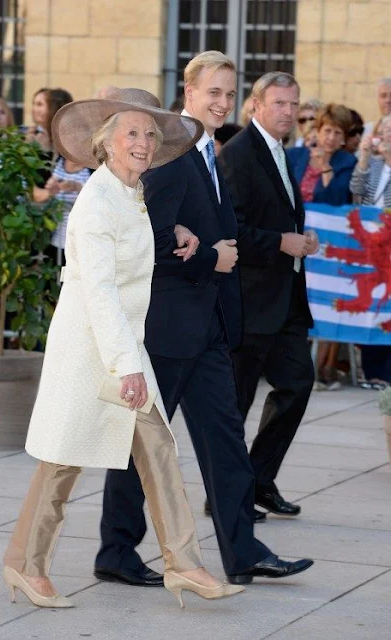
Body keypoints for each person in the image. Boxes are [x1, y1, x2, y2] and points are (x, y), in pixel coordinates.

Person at [3, 88, 245, 609]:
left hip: (118, 348)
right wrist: (127, 366)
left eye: (149, 133)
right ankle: (25, 567)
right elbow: (101, 291)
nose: (142, 141)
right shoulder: (97, 201)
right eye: (130, 132)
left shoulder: (129, 193)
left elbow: (144, 245)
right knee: (61, 463)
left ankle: (185, 564)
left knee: (158, 450)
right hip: (93, 351)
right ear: (106, 142)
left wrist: (177, 229)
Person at [95, 51, 314, 588]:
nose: (221, 102)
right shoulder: (169, 156)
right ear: (188, 95)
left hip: (209, 329)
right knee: (141, 447)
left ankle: (243, 552)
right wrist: (210, 256)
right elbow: (148, 242)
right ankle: (116, 551)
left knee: (225, 446)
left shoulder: (209, 153)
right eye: (212, 92)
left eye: (228, 93)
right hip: (168, 330)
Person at [218, 71, 318, 518]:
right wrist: (281, 241)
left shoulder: (281, 152)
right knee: (235, 406)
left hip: (285, 300)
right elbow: (231, 229)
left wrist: (300, 238)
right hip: (250, 302)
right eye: (279, 103)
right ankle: (225, 495)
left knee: (297, 384)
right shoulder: (239, 154)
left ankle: (258, 479)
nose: (289, 112)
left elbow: (278, 216)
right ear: (256, 105)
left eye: (294, 104)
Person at [288, 103, 357, 390]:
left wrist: (326, 170)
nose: (330, 137)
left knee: (325, 304)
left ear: (343, 138)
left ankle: (322, 368)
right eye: (326, 130)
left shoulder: (346, 163)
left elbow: (337, 201)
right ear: (317, 131)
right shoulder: (296, 155)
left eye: (336, 132)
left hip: (328, 247)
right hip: (294, 241)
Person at [350, 113, 391, 389]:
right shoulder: (373, 165)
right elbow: (355, 189)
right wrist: (364, 158)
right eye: (385, 128)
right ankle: (372, 370)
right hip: (369, 248)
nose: (388, 132)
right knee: (371, 305)